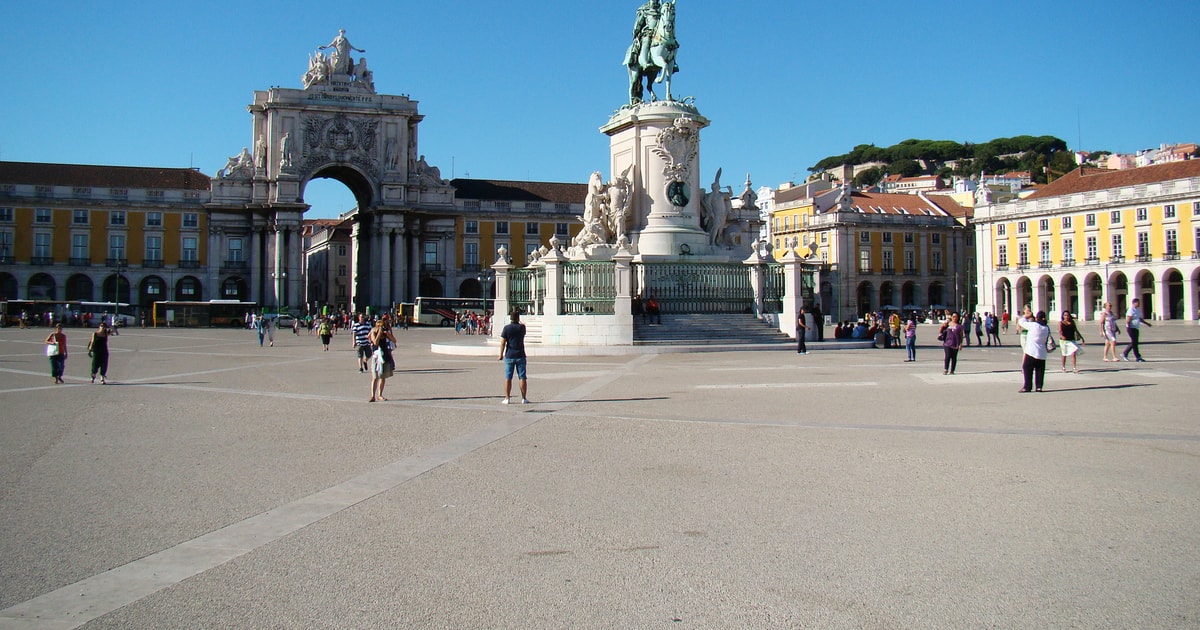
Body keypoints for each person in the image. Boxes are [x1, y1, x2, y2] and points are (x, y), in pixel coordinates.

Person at [498, 310, 529, 404]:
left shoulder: (506, 328)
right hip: (520, 354)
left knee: (508, 377)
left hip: (509, 354)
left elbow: (503, 343)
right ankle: (524, 398)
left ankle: (507, 398)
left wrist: (501, 354)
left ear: (510, 318)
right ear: (518, 318)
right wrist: (519, 322)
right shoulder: (522, 328)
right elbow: (523, 327)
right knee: (522, 377)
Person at [1018, 310, 1051, 393]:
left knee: (1027, 368)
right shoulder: (1046, 328)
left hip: (1031, 351)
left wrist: (1026, 316)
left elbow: (1021, 322)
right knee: (1040, 370)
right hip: (1042, 352)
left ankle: (1027, 387)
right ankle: (1039, 387)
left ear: (1037, 318)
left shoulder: (1034, 325)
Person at [367, 319, 396, 402]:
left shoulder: (385, 333)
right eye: (380, 326)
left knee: (383, 377)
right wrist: (379, 333)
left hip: (384, 356)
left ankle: (380, 395)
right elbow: (375, 342)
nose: (382, 328)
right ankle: (373, 396)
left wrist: (387, 334)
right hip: (376, 357)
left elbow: (394, 340)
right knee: (375, 377)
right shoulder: (374, 332)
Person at [1122, 297, 1151, 362]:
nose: (1139, 304)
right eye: (1138, 302)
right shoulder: (1131, 310)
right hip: (1131, 328)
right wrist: (1129, 327)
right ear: (1134, 303)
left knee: (1135, 342)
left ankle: (1125, 353)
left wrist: (1147, 323)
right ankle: (1137, 357)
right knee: (1134, 342)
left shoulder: (1137, 310)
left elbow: (1139, 319)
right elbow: (1128, 319)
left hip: (1136, 327)